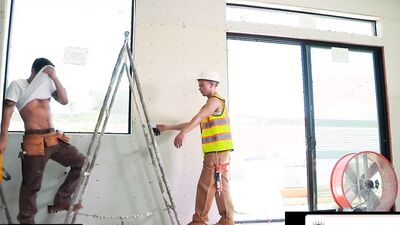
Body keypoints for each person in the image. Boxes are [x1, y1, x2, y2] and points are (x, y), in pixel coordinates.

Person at [0, 58, 86, 224]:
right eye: (43, 74)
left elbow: (64, 100)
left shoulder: (48, 84)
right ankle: (26, 221)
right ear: (33, 71)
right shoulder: (18, 85)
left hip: (53, 138)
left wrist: (54, 77)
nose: (45, 78)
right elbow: (7, 112)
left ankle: (62, 200)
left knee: (82, 163)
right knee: (31, 186)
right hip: (34, 141)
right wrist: (3, 137)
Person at [156, 71, 234, 225]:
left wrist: (183, 133)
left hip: (216, 152)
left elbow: (197, 118)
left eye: (202, 85)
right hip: (220, 151)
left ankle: (199, 221)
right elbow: (196, 122)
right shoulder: (215, 102)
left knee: (205, 185)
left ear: (212, 85)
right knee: (220, 186)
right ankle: (227, 219)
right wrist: (168, 127)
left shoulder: (213, 101)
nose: (199, 88)